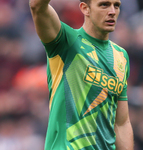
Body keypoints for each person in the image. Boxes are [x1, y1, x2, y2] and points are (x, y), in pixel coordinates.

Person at [29, 0, 134, 149]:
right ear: (85, 8)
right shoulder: (66, 42)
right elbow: (37, 6)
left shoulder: (121, 57)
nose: (112, 11)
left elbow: (121, 123)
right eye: (104, 4)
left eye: (116, 5)